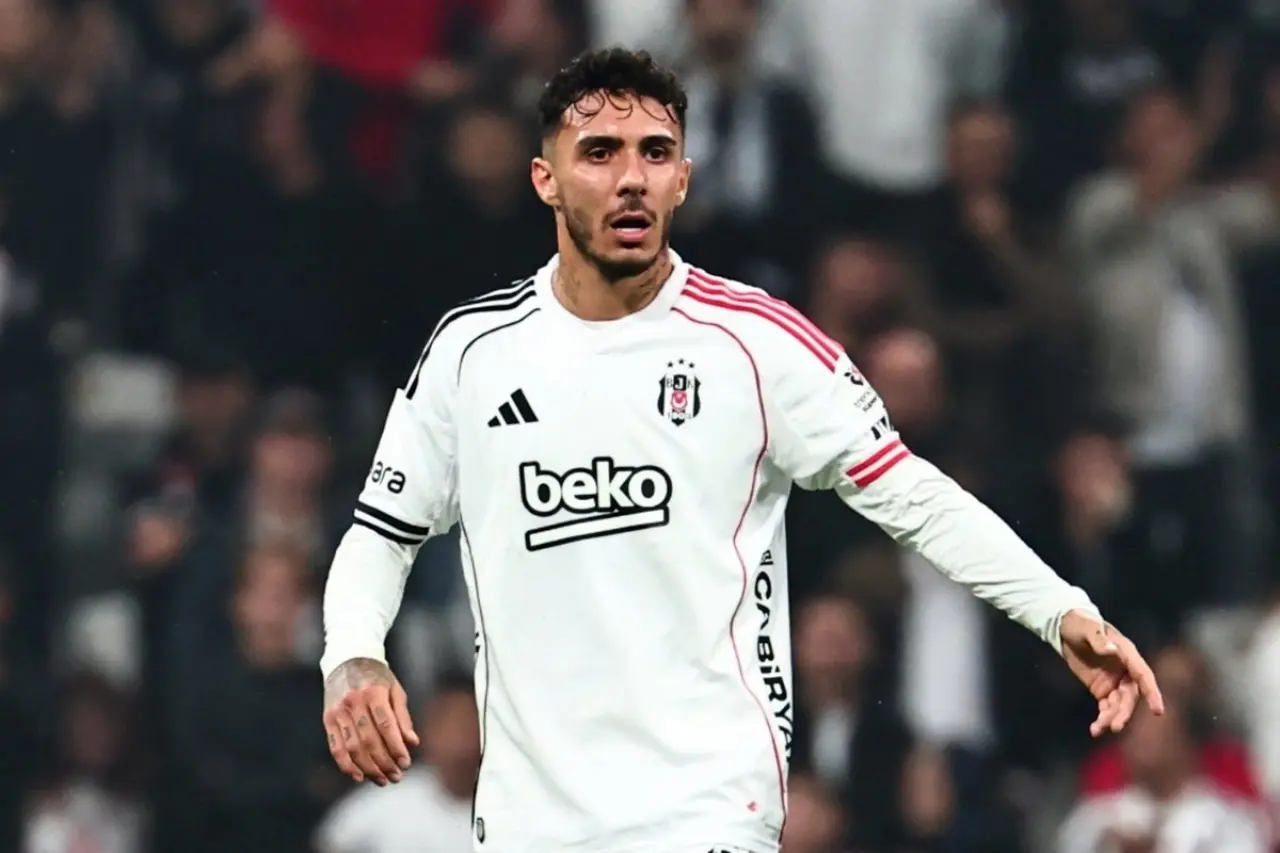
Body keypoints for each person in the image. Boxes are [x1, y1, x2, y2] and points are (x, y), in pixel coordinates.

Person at [319, 48, 1165, 853]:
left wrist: (1059, 610)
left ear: (683, 179)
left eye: (655, 152)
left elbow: (915, 495)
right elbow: (381, 533)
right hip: (530, 820)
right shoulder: (473, 353)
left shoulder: (757, 343)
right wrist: (353, 654)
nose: (631, 177)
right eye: (600, 152)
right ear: (546, 178)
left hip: (708, 805)